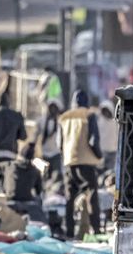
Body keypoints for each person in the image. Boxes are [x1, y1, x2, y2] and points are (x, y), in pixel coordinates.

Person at [58, 90, 102, 238]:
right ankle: (96, 230)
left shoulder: (64, 118)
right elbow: (93, 140)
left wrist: (67, 156)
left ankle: (69, 231)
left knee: (70, 198)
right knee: (92, 196)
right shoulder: (89, 115)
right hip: (87, 162)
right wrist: (99, 156)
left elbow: (60, 143)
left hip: (70, 162)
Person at [4, 142, 46, 222]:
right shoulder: (34, 170)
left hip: (10, 200)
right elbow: (39, 191)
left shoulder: (10, 166)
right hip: (27, 202)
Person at [36, 99, 63, 183]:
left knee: (56, 177)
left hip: (56, 153)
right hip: (44, 153)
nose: (53, 110)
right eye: (51, 107)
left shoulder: (60, 122)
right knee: (44, 177)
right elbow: (36, 136)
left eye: (55, 108)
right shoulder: (41, 121)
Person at [97, 101, 118, 174]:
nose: (106, 113)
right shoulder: (99, 121)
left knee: (109, 173)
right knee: (101, 172)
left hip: (112, 151)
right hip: (102, 151)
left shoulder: (115, 122)